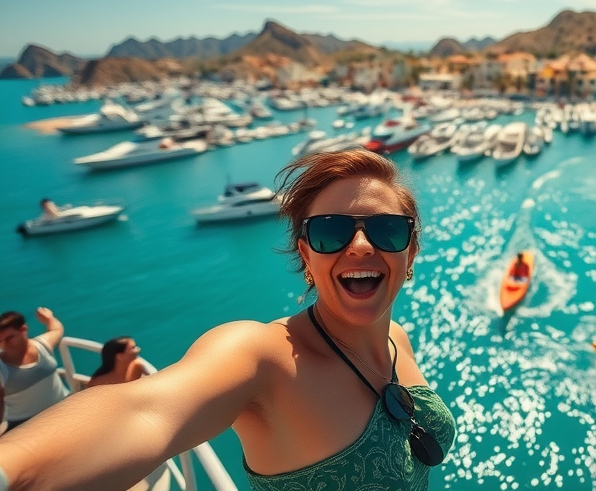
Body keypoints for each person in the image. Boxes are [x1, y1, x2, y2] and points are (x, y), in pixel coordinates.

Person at [0, 150, 456, 490]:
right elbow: (143, 411)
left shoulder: (398, 339)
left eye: (387, 229)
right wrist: (11, 467)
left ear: (410, 252)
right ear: (307, 255)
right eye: (332, 231)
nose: (359, 246)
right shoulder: (263, 356)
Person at [0, 308, 68, 431]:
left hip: (64, 409)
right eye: (0, 341)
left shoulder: (42, 345)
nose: (4, 344)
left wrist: (49, 318)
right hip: (26, 426)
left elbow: (56, 329)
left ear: (23, 329)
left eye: (9, 338)